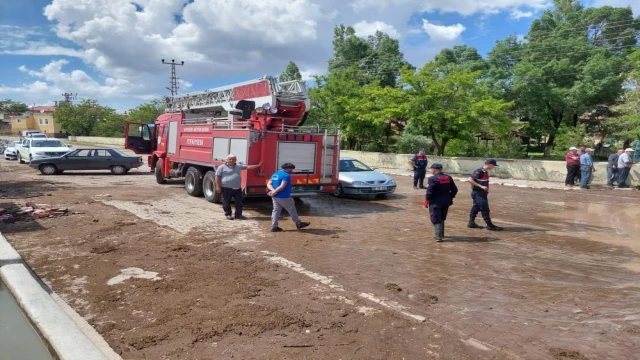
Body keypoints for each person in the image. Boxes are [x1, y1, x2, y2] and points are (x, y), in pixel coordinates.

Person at [215, 154, 262, 220]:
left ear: (236, 160)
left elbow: (248, 167)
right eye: (230, 159)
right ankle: (228, 214)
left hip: (237, 188)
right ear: (227, 160)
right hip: (226, 188)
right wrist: (218, 186)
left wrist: (258, 165)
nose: (231, 160)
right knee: (226, 202)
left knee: (239, 202)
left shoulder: (239, 166)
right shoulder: (221, 167)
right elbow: (217, 177)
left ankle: (238, 215)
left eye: (233, 159)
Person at [267, 162, 310, 232]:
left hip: (275, 197)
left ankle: (274, 226)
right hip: (284, 197)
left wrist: (273, 191)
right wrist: (275, 191)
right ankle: (298, 223)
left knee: (276, 211)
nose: (292, 171)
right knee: (292, 210)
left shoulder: (275, 174)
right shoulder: (286, 175)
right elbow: (282, 187)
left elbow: (268, 184)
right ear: (288, 168)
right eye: (292, 169)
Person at [424, 163, 458, 242]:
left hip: (435, 201)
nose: (431, 170)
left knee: (435, 218)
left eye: (431, 169)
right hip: (446, 201)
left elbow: (430, 191)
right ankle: (441, 234)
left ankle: (438, 236)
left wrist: (427, 200)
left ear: (434, 169)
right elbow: (455, 190)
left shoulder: (432, 178)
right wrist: (450, 197)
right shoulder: (448, 177)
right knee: (442, 217)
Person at [467, 159, 503, 231]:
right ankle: (489, 225)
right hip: (478, 193)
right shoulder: (479, 171)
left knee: (476, 207)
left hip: (482, 193)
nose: (493, 167)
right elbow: (470, 179)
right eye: (493, 165)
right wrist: (481, 186)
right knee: (485, 208)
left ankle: (471, 223)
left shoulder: (485, 172)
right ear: (490, 164)